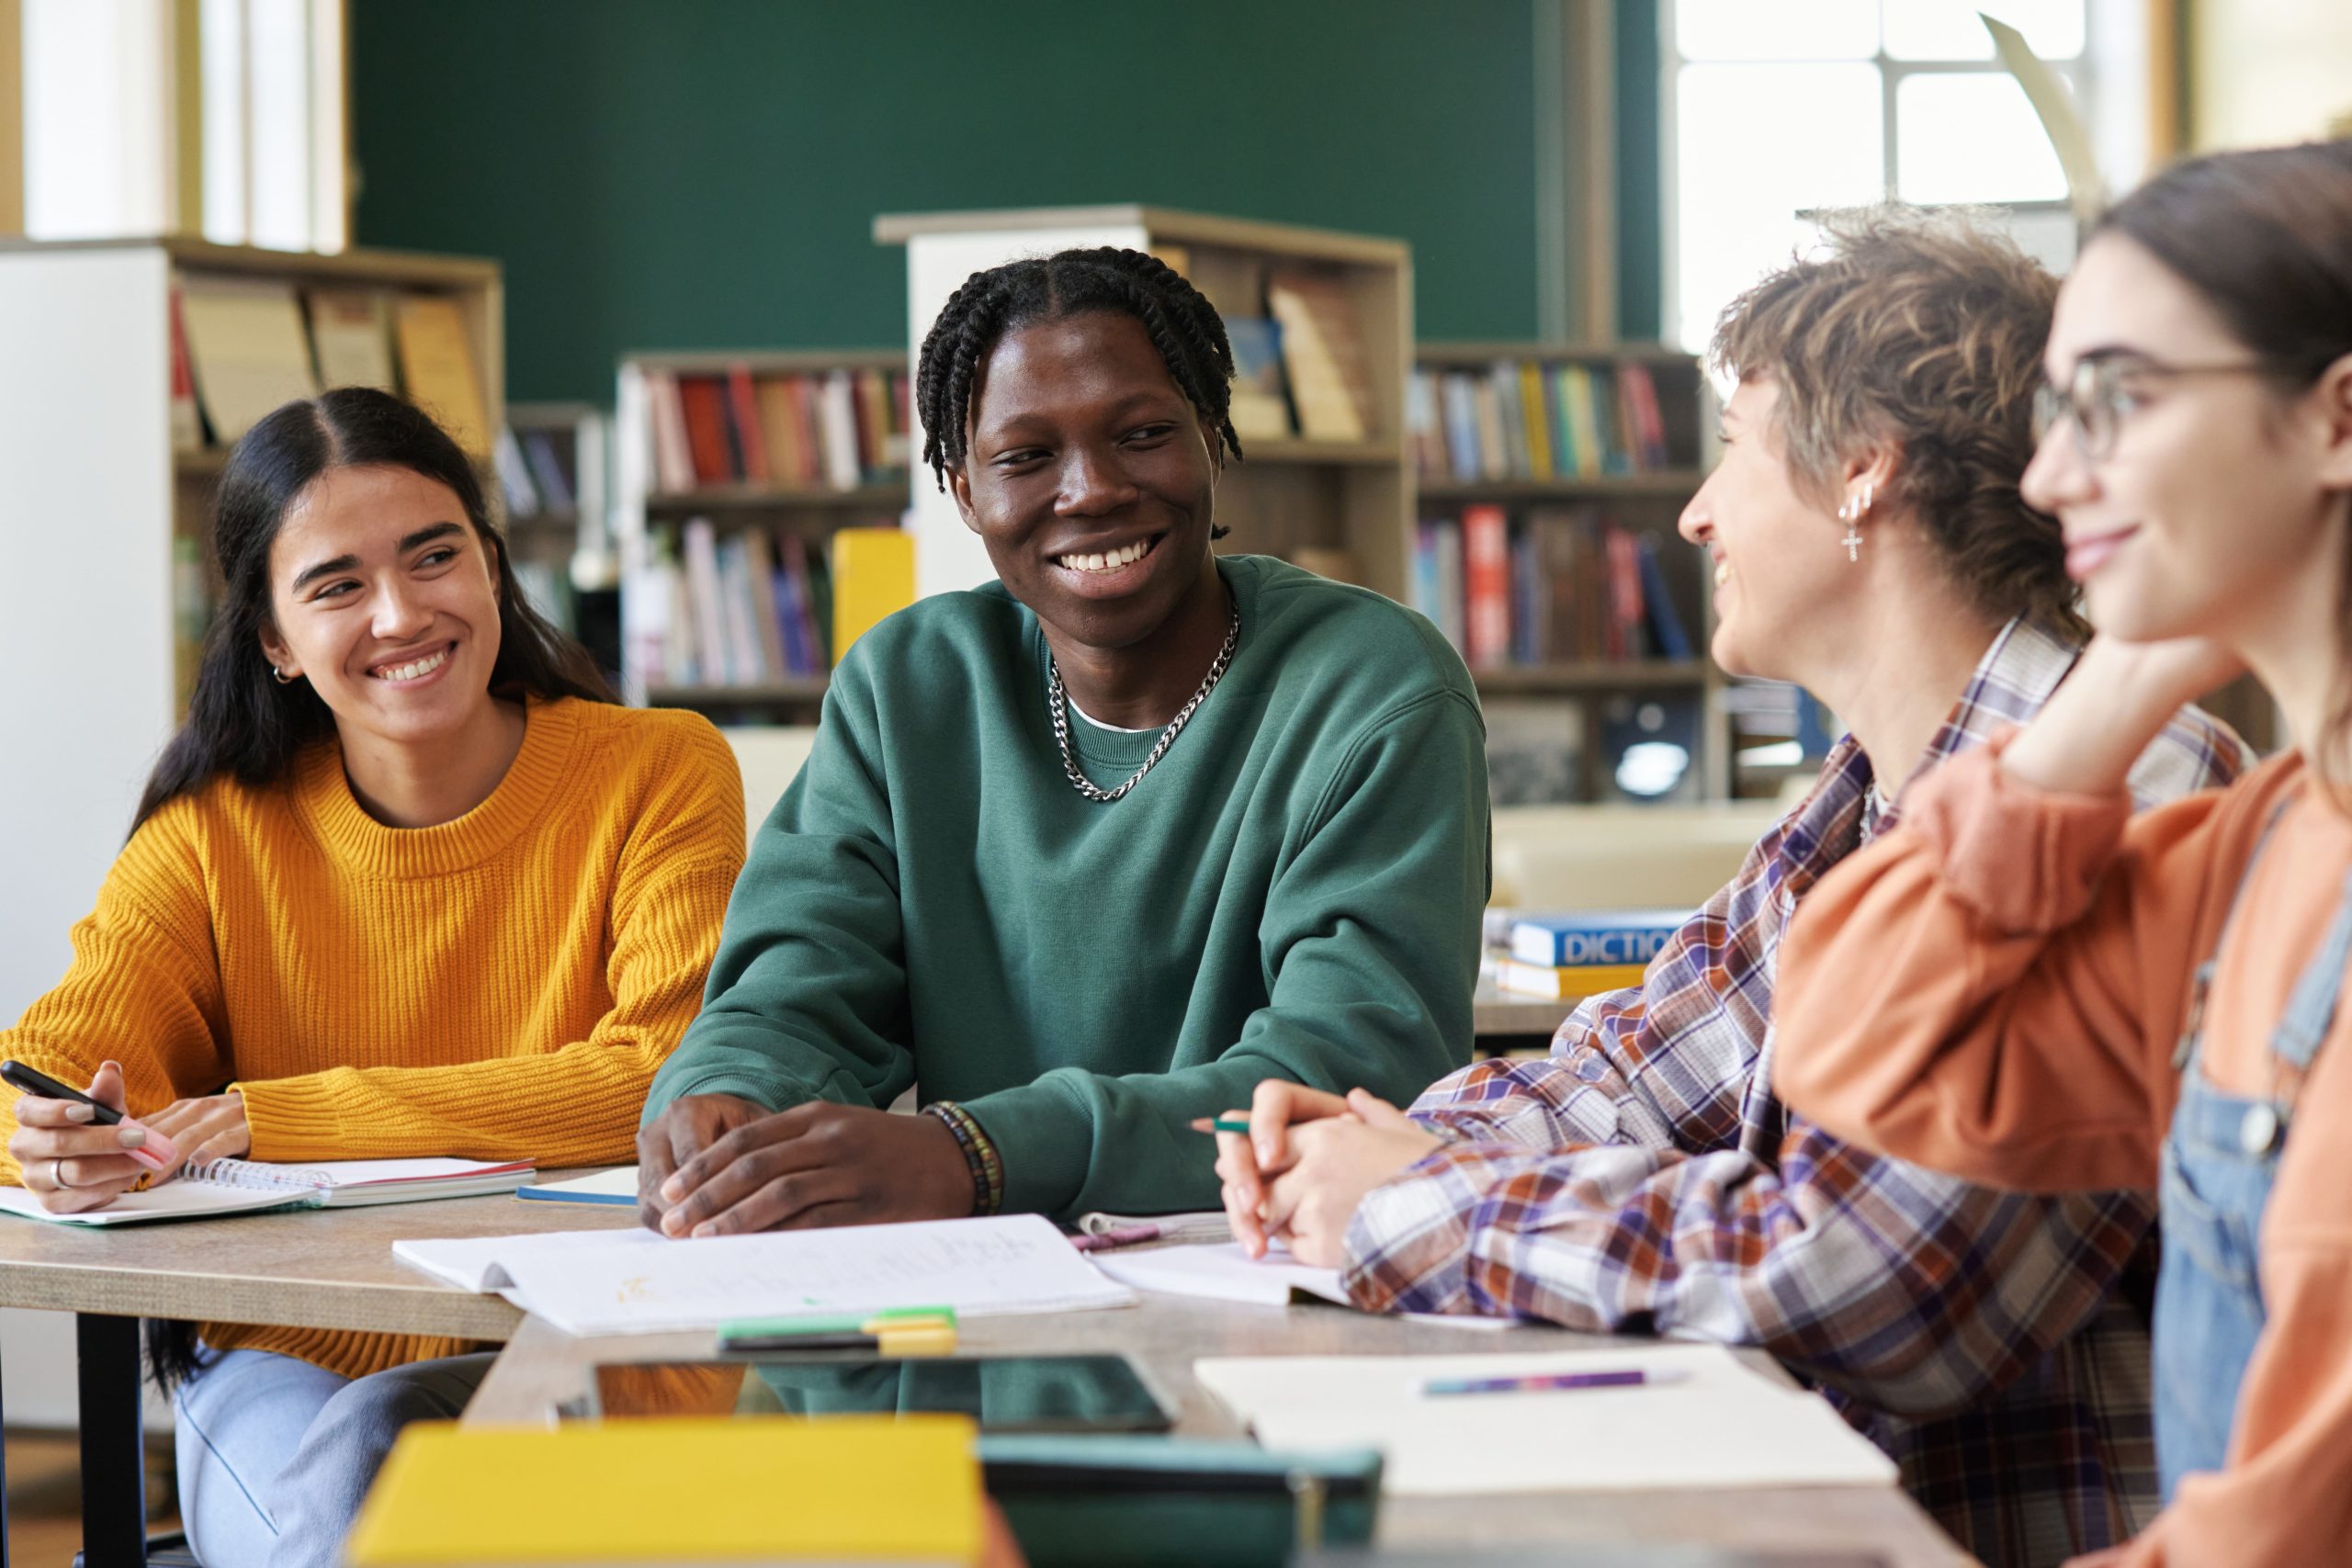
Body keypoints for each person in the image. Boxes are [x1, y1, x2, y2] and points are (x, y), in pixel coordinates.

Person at [1211, 209, 2248, 1565]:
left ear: (1863, 471)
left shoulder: (2120, 792)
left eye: (1733, 449)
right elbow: (1631, 1071)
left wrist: (1416, 1206)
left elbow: (1870, 1281)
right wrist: (1367, 1151)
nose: (1696, 509)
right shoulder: (1863, 797)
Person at [0, 388, 744, 1568]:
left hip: (594, 1338)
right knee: (360, 1488)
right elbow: (51, 1075)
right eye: (337, 584)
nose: (402, 613)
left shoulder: (657, 771)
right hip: (289, 1359)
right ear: (274, 642)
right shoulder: (211, 833)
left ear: (493, 570)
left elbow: (660, 1079)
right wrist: (51, 1134)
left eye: (434, 556)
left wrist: (275, 1120)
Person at [637, 246, 1489, 1237]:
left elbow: (1348, 1076)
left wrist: (982, 1156)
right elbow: (793, 991)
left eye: (1140, 435)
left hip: (1264, 1279)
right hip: (972, 1292)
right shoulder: (905, 688)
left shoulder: (1375, 686)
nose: (1089, 490)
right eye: (1025, 457)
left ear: (1211, 438)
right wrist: (723, 1093)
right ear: (962, 490)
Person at [1772, 142, 2352, 1567]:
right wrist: (2108, 694)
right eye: (2049, 409)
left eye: (2117, 400)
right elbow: (1846, 1041)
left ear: (2339, 418)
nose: (2048, 473)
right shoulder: (2273, 841)